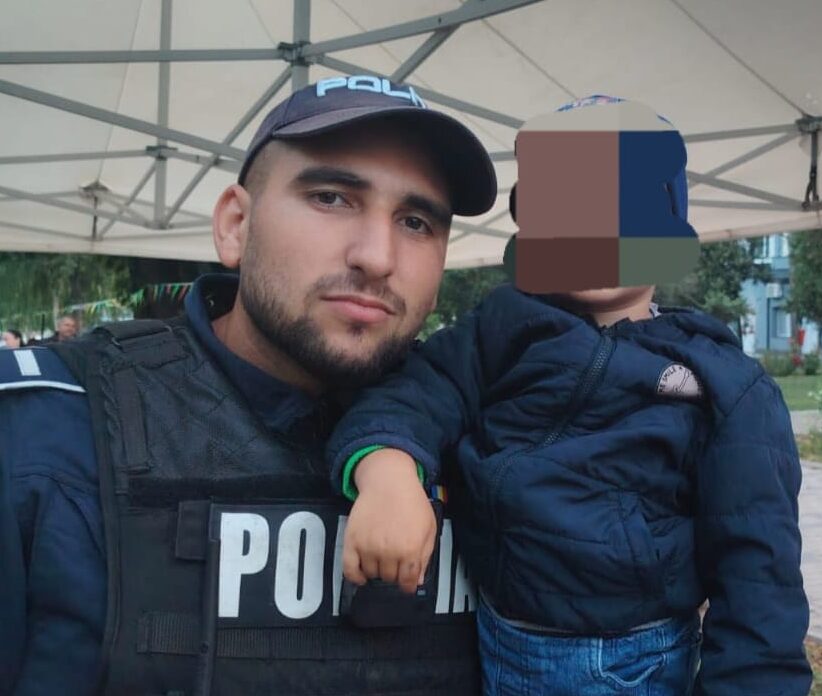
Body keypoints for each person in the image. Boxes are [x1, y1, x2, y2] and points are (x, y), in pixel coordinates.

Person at [0, 76, 496, 695]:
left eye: (417, 222)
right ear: (236, 224)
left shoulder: (501, 439)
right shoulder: (41, 432)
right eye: (331, 198)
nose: (377, 257)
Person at [327, 98, 812, 695]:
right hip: (487, 635)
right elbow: (416, 393)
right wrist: (388, 469)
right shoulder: (500, 329)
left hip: (629, 666)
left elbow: (759, 574)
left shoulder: (723, 380)